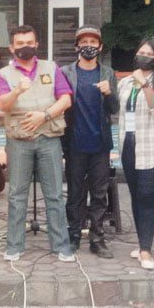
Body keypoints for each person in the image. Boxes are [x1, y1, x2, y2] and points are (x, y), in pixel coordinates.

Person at [0, 25, 74, 262]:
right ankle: (14, 246)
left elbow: (66, 99)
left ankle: (61, 246)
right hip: (19, 142)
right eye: (20, 43)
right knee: (17, 195)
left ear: (37, 44)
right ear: (12, 47)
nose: (25, 47)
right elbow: (3, 105)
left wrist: (44, 116)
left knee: (54, 194)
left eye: (29, 42)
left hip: (49, 138)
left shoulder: (51, 68)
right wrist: (17, 91)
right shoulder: (3, 74)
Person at [60, 27, 118, 258]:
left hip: (100, 144)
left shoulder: (107, 73)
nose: (88, 46)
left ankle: (97, 238)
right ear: (77, 46)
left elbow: (114, 108)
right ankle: (73, 235)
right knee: (74, 193)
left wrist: (109, 93)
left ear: (100, 47)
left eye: (93, 42)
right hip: (74, 143)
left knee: (99, 194)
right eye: (84, 42)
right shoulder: (66, 72)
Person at [117, 38, 154, 270]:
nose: (143, 56)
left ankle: (147, 250)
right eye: (141, 52)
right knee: (136, 196)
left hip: (152, 146)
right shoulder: (126, 82)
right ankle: (141, 243)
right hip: (129, 145)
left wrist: (145, 84)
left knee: (147, 195)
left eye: (149, 54)